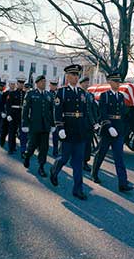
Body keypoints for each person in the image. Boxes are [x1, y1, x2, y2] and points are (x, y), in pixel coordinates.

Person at [49, 64, 89, 200]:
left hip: (79, 132)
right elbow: (58, 111)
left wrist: (88, 128)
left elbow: (85, 112)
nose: (76, 77)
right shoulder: (62, 92)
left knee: (78, 162)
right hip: (67, 131)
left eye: (77, 75)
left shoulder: (83, 93)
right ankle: (54, 170)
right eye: (73, 75)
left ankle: (78, 189)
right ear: (67, 76)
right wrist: (60, 128)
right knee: (64, 158)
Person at [91, 72, 133, 192]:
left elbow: (123, 114)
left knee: (119, 157)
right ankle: (94, 173)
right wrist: (109, 126)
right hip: (107, 130)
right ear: (110, 82)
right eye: (116, 82)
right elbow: (103, 112)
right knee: (101, 154)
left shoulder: (120, 96)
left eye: (119, 82)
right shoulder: (105, 96)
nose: (118, 84)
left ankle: (123, 183)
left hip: (118, 130)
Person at [21, 75, 55, 177]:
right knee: (31, 146)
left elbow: (51, 111)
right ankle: (27, 156)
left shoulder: (49, 95)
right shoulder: (30, 94)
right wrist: (25, 124)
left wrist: (53, 124)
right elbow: (25, 110)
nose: (44, 83)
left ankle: (41, 167)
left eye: (45, 81)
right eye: (42, 82)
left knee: (44, 148)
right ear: (37, 83)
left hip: (45, 127)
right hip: (34, 126)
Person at [79, 76, 100, 172]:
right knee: (78, 143)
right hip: (79, 123)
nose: (87, 84)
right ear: (81, 83)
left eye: (88, 83)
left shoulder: (90, 95)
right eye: (85, 83)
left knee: (87, 144)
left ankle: (85, 162)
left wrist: (95, 122)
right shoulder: (77, 94)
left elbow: (94, 109)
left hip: (89, 124)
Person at [6, 79, 26, 155]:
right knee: (12, 132)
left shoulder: (26, 94)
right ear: (17, 84)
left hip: (22, 115)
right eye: (20, 83)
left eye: (22, 84)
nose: (21, 85)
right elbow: (8, 105)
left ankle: (23, 150)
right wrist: (8, 114)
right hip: (13, 115)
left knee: (23, 133)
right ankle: (11, 148)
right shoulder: (12, 93)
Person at [49, 80, 60, 157]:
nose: (54, 86)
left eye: (55, 85)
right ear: (50, 85)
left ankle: (55, 151)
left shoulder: (58, 94)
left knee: (56, 135)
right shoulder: (47, 94)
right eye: (52, 85)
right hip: (48, 117)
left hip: (55, 118)